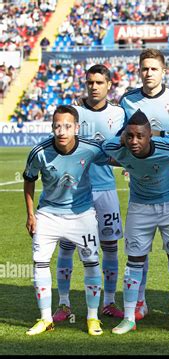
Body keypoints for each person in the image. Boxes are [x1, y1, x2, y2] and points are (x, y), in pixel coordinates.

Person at [102, 110, 169, 337]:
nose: (134, 141)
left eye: (140, 136)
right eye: (129, 136)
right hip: (140, 207)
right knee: (134, 263)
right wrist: (121, 139)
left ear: (150, 135)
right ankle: (130, 317)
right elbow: (106, 147)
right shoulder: (117, 147)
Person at [23, 105, 109, 336]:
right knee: (39, 262)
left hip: (82, 215)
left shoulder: (91, 148)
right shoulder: (39, 152)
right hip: (48, 214)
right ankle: (45, 318)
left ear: (76, 128)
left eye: (67, 126)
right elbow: (29, 180)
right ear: (52, 127)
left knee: (91, 263)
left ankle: (93, 317)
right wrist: (31, 215)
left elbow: (117, 156)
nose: (62, 131)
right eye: (57, 126)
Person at [120, 48, 169, 321]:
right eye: (144, 69)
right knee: (139, 245)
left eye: (153, 69)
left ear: (163, 71)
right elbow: (124, 136)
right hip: (140, 178)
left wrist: (154, 136)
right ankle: (139, 301)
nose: (148, 73)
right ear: (139, 71)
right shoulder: (128, 100)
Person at [53, 64, 126, 323]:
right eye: (90, 82)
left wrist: (129, 165)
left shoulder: (119, 113)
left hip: (105, 190)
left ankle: (108, 302)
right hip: (75, 191)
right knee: (66, 246)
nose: (94, 87)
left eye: (99, 82)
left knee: (109, 247)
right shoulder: (74, 112)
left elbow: (130, 143)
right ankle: (63, 304)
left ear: (108, 85)